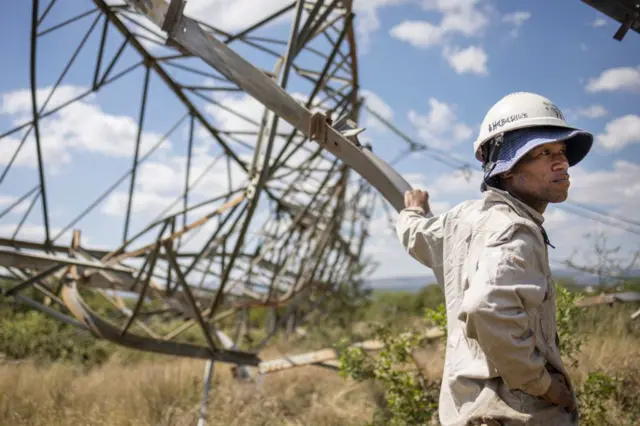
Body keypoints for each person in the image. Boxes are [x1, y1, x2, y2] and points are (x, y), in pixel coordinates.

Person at [395, 92, 594, 426]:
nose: (561, 163)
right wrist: (542, 384)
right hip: (512, 415)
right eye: (543, 153)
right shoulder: (515, 229)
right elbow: (488, 306)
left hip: (466, 412)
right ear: (505, 168)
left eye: (561, 152)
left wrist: (412, 211)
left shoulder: (464, 218)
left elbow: (418, 237)